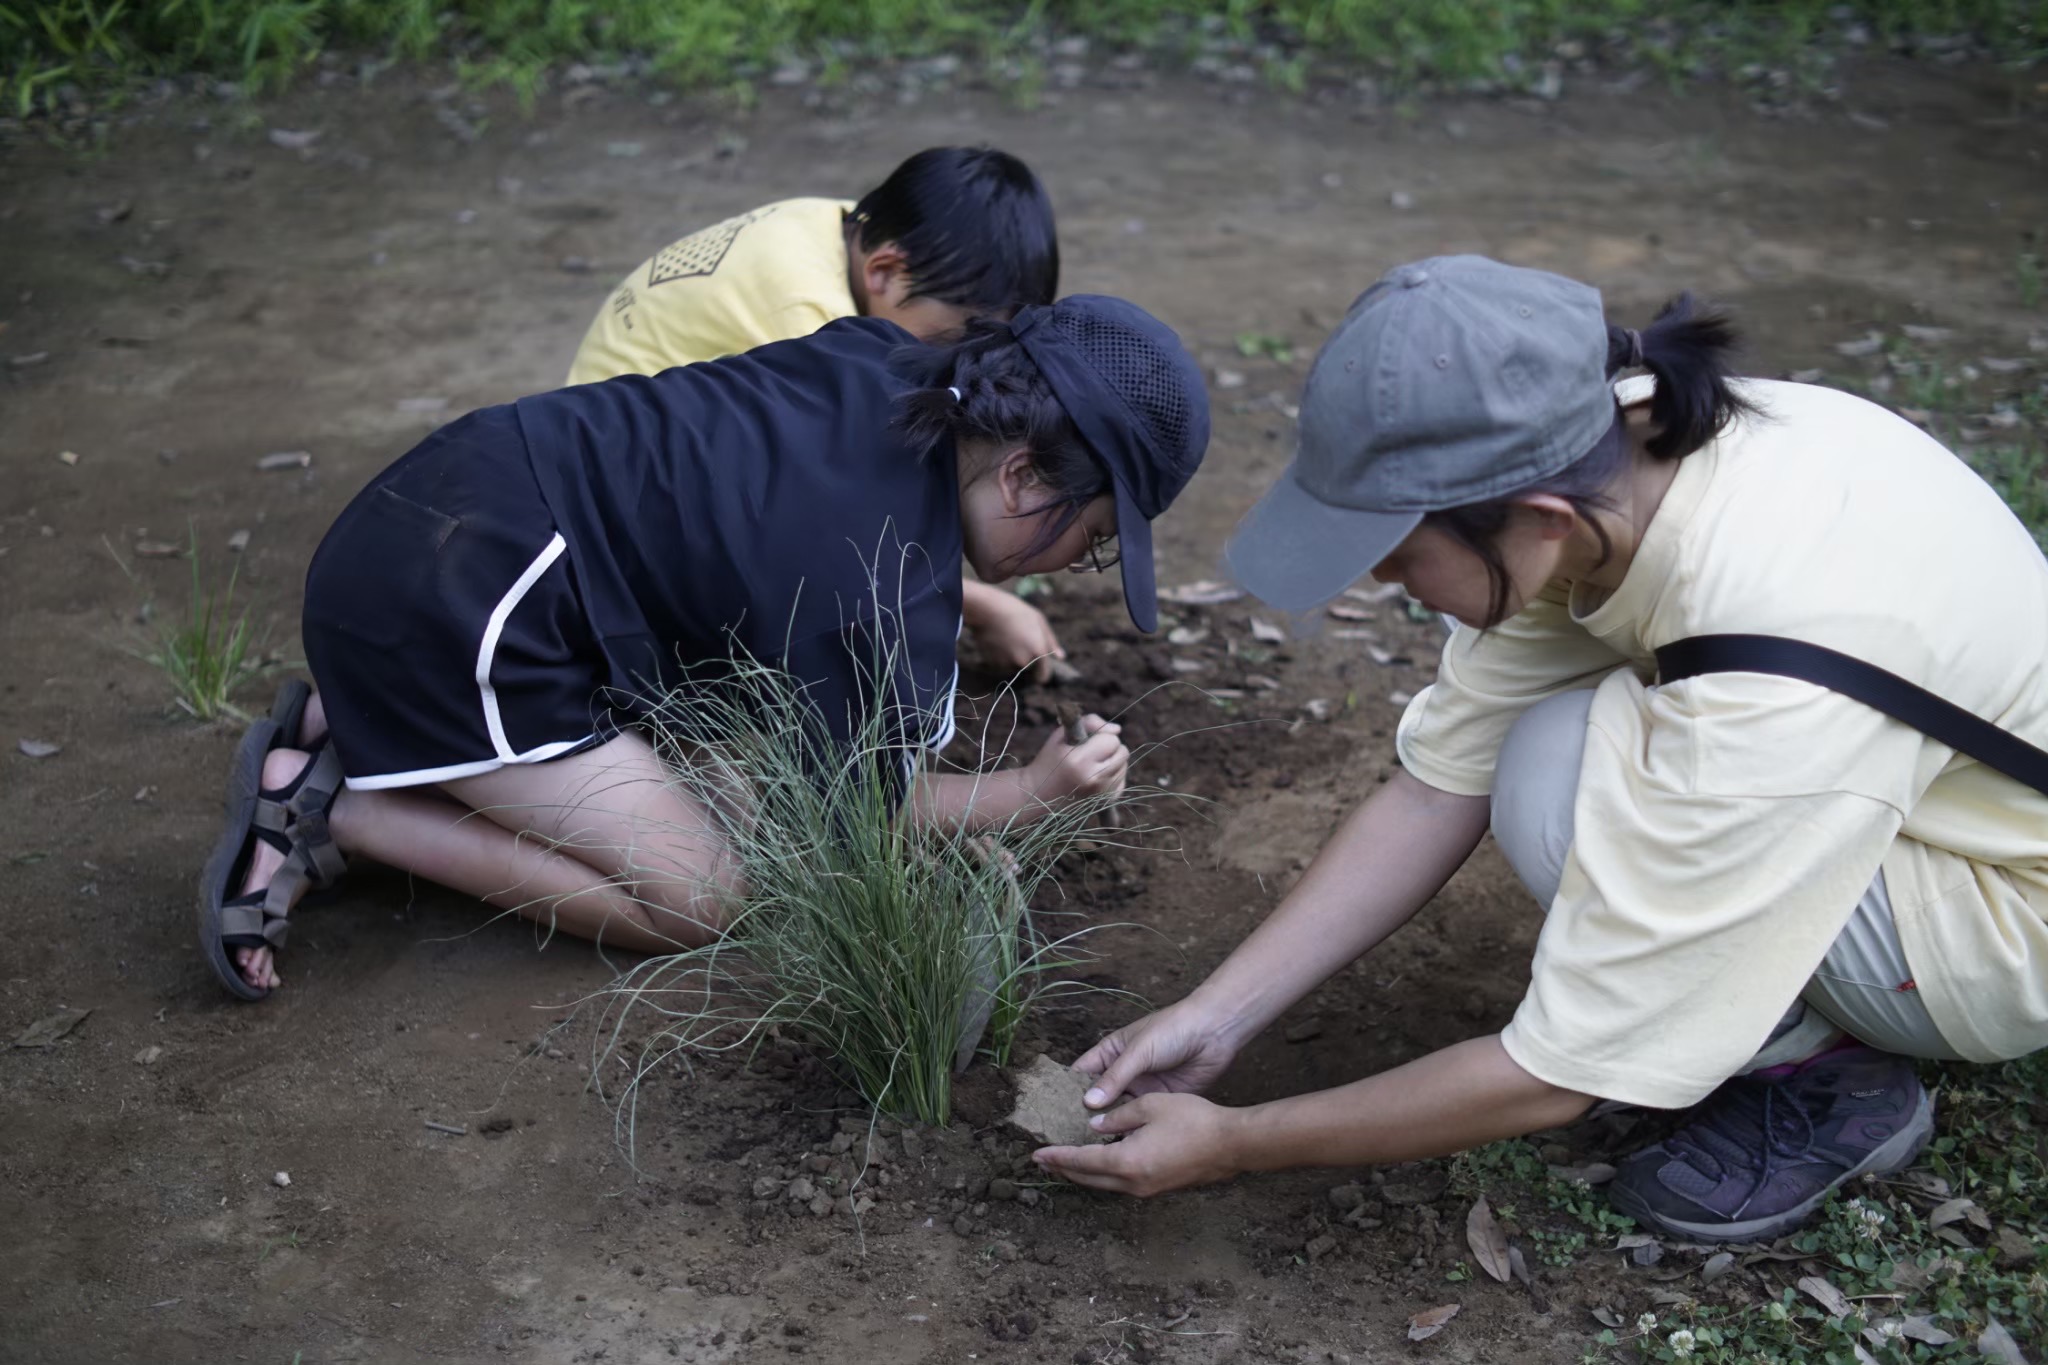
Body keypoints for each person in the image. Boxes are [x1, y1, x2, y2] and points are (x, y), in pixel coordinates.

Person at [1034, 255, 2048, 1244]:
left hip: (2003, 926)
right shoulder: (1608, 457)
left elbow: (1564, 1070)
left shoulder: (1768, 672)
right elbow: (1435, 792)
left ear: (1537, 517)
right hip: (1916, 796)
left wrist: (1235, 1144)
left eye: (1393, 555)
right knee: (1544, 750)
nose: (1378, 583)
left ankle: (1824, 1073)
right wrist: (1216, 1018)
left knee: (1562, 769)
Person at [198, 294, 1211, 1002]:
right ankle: (342, 807)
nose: (1076, 561)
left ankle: (366, 716)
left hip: (449, 500)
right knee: (710, 894)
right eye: (1094, 538)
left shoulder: (889, 362)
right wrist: (1024, 797)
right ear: (1026, 477)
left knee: (710, 750)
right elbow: (847, 820)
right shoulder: (873, 600)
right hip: (458, 609)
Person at [568, 146, 1071, 683]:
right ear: (885, 272)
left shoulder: (852, 225)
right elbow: (837, 519)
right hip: (606, 520)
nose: (961, 364)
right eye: (955, 341)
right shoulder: (807, 321)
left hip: (631, 444)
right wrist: (981, 605)